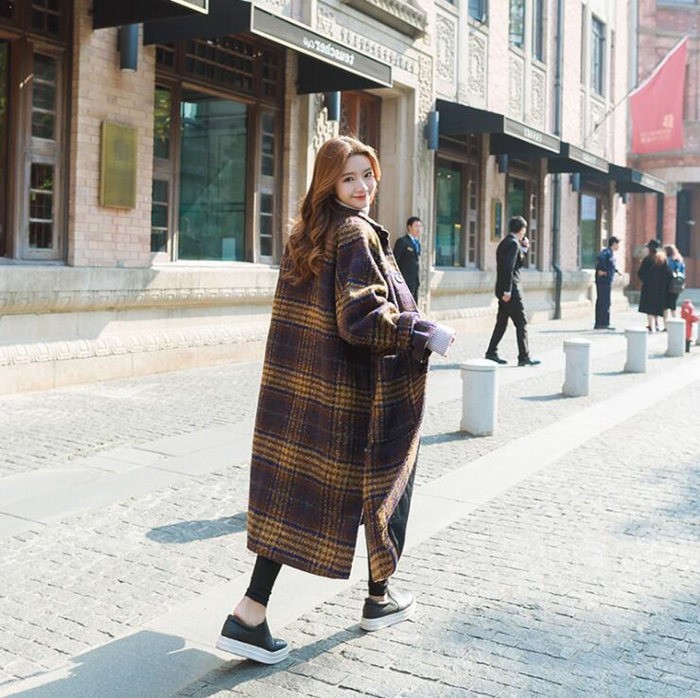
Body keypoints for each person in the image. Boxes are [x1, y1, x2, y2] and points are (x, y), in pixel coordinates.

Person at [216, 136, 455, 664]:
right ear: (329, 183)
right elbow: (360, 317)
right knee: (388, 485)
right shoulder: (354, 233)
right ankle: (374, 598)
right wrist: (422, 332)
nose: (362, 186)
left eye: (367, 175)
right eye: (349, 178)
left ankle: (252, 613)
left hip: (306, 393)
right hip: (357, 397)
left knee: (294, 499)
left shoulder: (309, 232)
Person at [484, 215, 540, 366]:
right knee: (521, 323)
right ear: (521, 230)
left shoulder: (505, 242)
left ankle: (491, 352)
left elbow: (514, 265)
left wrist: (525, 249)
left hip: (503, 289)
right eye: (524, 229)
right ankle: (524, 356)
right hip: (511, 291)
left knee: (501, 323)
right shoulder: (514, 244)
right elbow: (509, 269)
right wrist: (507, 291)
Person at [637, 238, 673, 332]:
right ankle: (660, 325)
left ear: (650, 248)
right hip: (662, 288)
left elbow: (640, 273)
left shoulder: (648, 259)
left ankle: (651, 325)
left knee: (650, 306)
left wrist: (646, 281)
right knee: (660, 306)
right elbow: (669, 274)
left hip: (649, 287)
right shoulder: (663, 259)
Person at [593, 236, 620, 330]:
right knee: (604, 302)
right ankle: (603, 323)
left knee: (603, 301)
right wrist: (603, 271)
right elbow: (600, 259)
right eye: (617, 244)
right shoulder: (607, 252)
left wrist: (615, 271)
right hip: (603, 281)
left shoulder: (610, 253)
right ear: (614, 244)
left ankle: (600, 323)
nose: (618, 246)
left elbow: (610, 265)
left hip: (606, 281)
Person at [393, 216, 422, 301]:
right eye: (416, 226)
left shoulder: (417, 243)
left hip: (414, 281)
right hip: (404, 281)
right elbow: (395, 260)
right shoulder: (402, 241)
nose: (419, 229)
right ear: (409, 227)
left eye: (420, 226)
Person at [664, 243, 686, 318]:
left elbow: (666, 272)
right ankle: (674, 319)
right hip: (677, 285)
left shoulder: (667, 261)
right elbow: (683, 273)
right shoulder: (680, 261)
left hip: (668, 285)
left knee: (665, 305)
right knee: (673, 304)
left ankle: (666, 322)